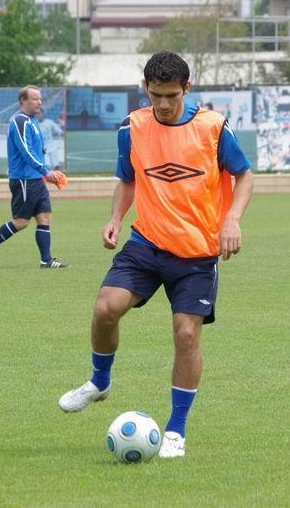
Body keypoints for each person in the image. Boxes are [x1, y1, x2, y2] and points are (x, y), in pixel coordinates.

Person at [58, 51, 254, 458]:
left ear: (187, 88)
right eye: (155, 95)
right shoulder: (132, 127)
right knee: (105, 308)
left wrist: (232, 219)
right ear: (145, 88)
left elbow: (244, 175)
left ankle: (176, 431)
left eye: (171, 96)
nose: (163, 104)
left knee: (186, 333)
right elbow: (127, 179)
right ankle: (100, 381)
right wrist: (115, 218)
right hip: (146, 244)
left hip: (197, 253)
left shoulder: (213, 128)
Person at [0, 85, 69, 269]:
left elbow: (38, 151)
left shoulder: (32, 121)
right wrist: (46, 171)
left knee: (44, 217)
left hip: (36, 179)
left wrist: (46, 172)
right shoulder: (20, 121)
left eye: (40, 99)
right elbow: (26, 152)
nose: (39, 102)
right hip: (24, 180)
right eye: (35, 99)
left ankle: (46, 260)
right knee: (21, 222)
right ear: (23, 101)